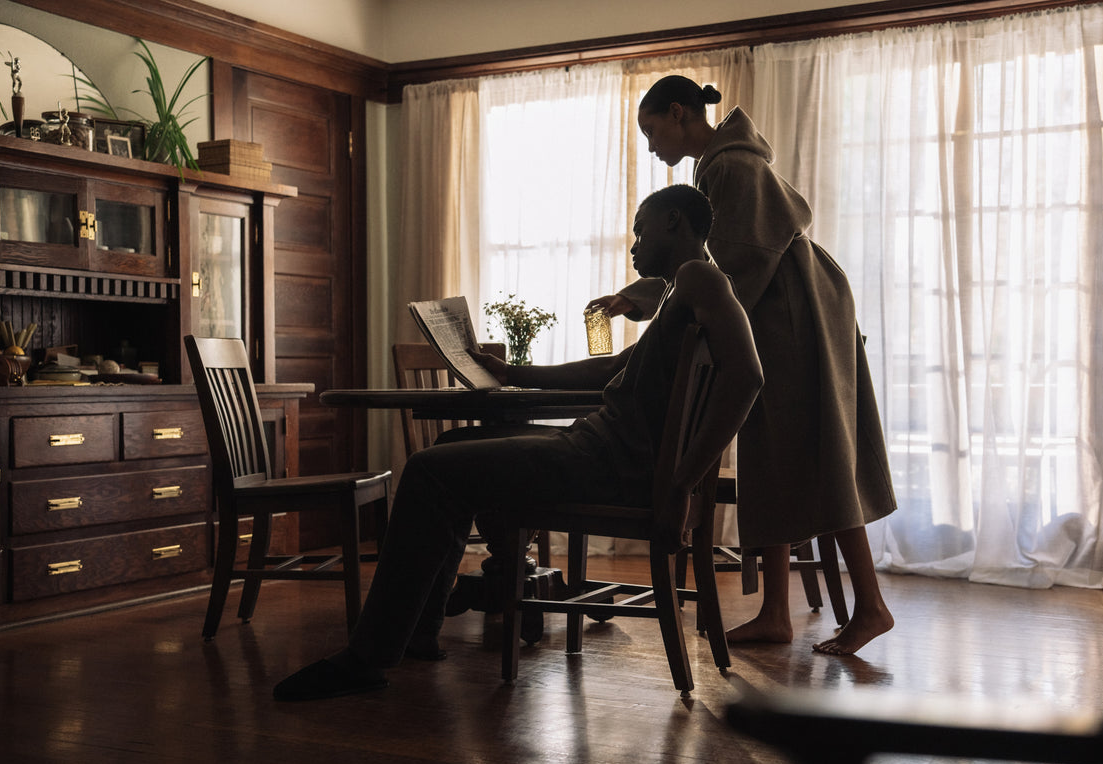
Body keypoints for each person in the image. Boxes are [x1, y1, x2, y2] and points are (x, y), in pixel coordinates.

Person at [273, 185, 763, 701]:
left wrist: (682, 483)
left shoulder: (698, 276)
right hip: (600, 451)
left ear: (673, 220)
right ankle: (414, 630)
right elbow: (612, 367)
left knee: (427, 469)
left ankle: (369, 656)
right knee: (449, 446)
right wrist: (513, 372)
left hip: (603, 461)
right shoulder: (677, 292)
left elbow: (748, 376)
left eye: (641, 229)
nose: (635, 245)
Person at [587, 76, 896, 655]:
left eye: (653, 130)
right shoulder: (720, 164)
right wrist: (646, 294)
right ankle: (776, 612)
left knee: (817, 453)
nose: (653, 147)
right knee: (772, 457)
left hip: (792, 312)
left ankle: (871, 606)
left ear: (679, 114)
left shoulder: (729, 164)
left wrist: (662, 305)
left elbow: (729, 268)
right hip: (781, 309)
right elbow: (712, 270)